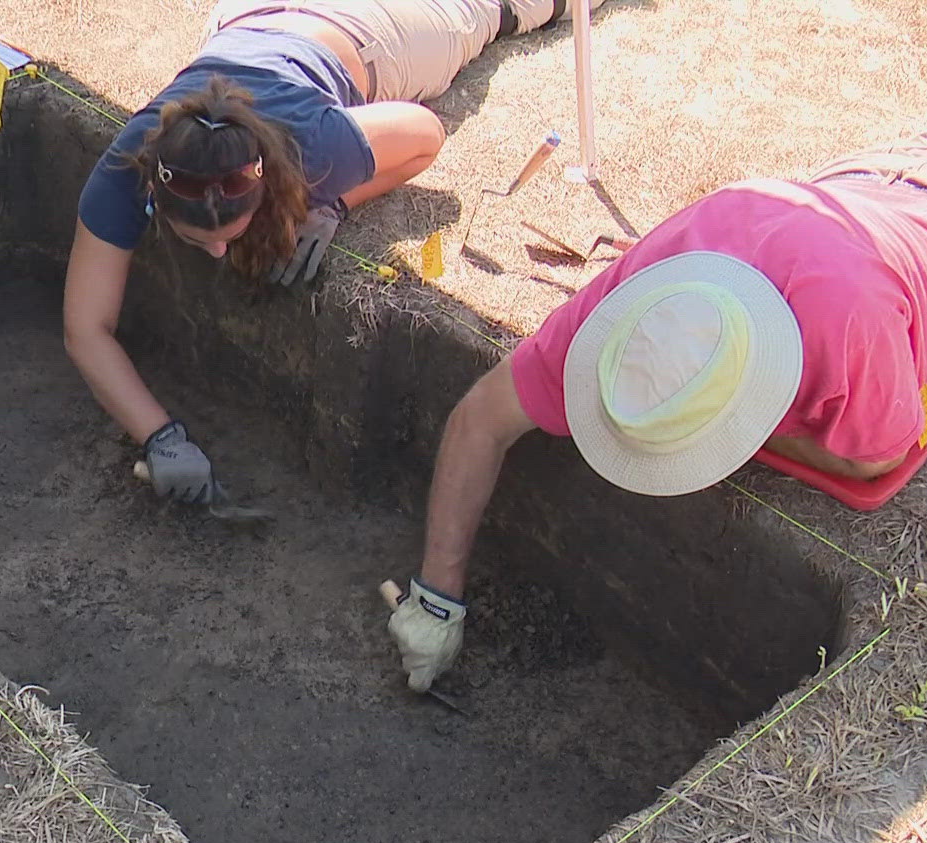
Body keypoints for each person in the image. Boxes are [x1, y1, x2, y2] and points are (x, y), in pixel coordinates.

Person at [387, 56, 927, 691]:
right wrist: (438, 595)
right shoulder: (636, 303)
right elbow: (481, 418)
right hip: (862, 189)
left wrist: (754, 436)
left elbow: (878, 454)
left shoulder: (851, 336)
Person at [66, 0, 607, 504]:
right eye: (196, 237)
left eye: (230, 233)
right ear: (153, 190)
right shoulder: (127, 166)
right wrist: (160, 437)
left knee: (488, 11)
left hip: (369, 28)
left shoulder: (318, 149)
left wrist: (335, 205)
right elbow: (85, 328)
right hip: (254, 16)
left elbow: (425, 134)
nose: (216, 253)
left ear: (269, 185)